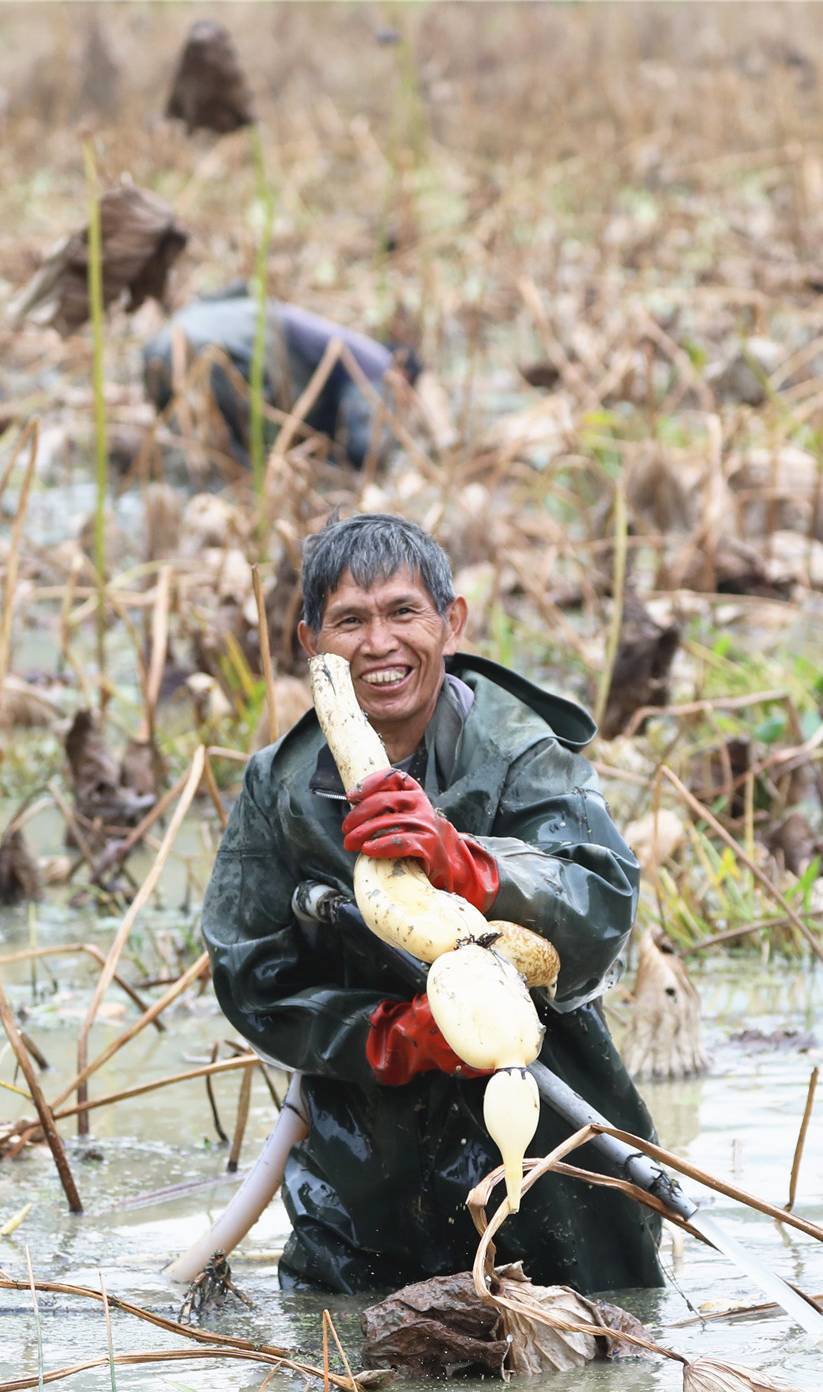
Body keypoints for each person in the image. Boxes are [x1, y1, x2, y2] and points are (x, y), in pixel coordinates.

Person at [202, 513, 663, 1295]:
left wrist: (466, 862)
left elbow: (600, 905)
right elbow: (251, 972)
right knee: (354, 1372)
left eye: (402, 613)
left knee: (589, 1354)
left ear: (451, 623)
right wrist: (389, 1039)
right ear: (311, 643)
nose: (379, 644)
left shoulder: (522, 752)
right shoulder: (279, 786)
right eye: (350, 621)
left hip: (548, 1137)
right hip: (361, 1163)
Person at [143, 285, 417, 468]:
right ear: (402, 375)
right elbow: (366, 448)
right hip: (218, 348)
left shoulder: (328, 336)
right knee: (250, 464)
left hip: (159, 345)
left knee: (207, 460)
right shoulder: (377, 361)